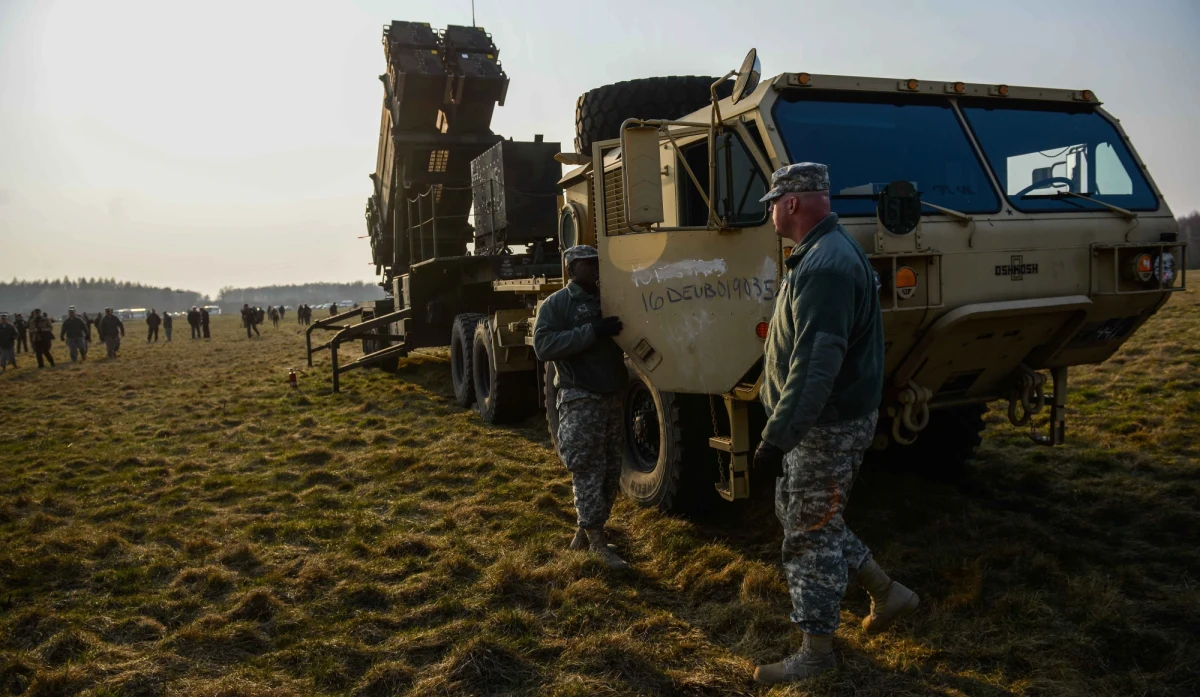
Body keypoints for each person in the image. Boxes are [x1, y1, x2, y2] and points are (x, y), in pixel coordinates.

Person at [750, 164, 917, 684]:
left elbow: (816, 365)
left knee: (808, 535)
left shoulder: (824, 264)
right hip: (826, 421)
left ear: (794, 203)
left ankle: (816, 654)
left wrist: (777, 438)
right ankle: (888, 592)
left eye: (773, 202)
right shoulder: (826, 252)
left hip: (824, 425)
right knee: (813, 517)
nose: (771, 212)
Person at [532, 244, 629, 570]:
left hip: (612, 396)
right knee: (587, 468)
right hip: (582, 397)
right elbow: (543, 346)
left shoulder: (608, 297)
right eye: (589, 265)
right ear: (572, 269)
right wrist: (590, 332)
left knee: (610, 472)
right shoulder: (558, 304)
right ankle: (598, 544)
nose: (596, 270)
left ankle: (583, 535)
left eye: (597, 263)